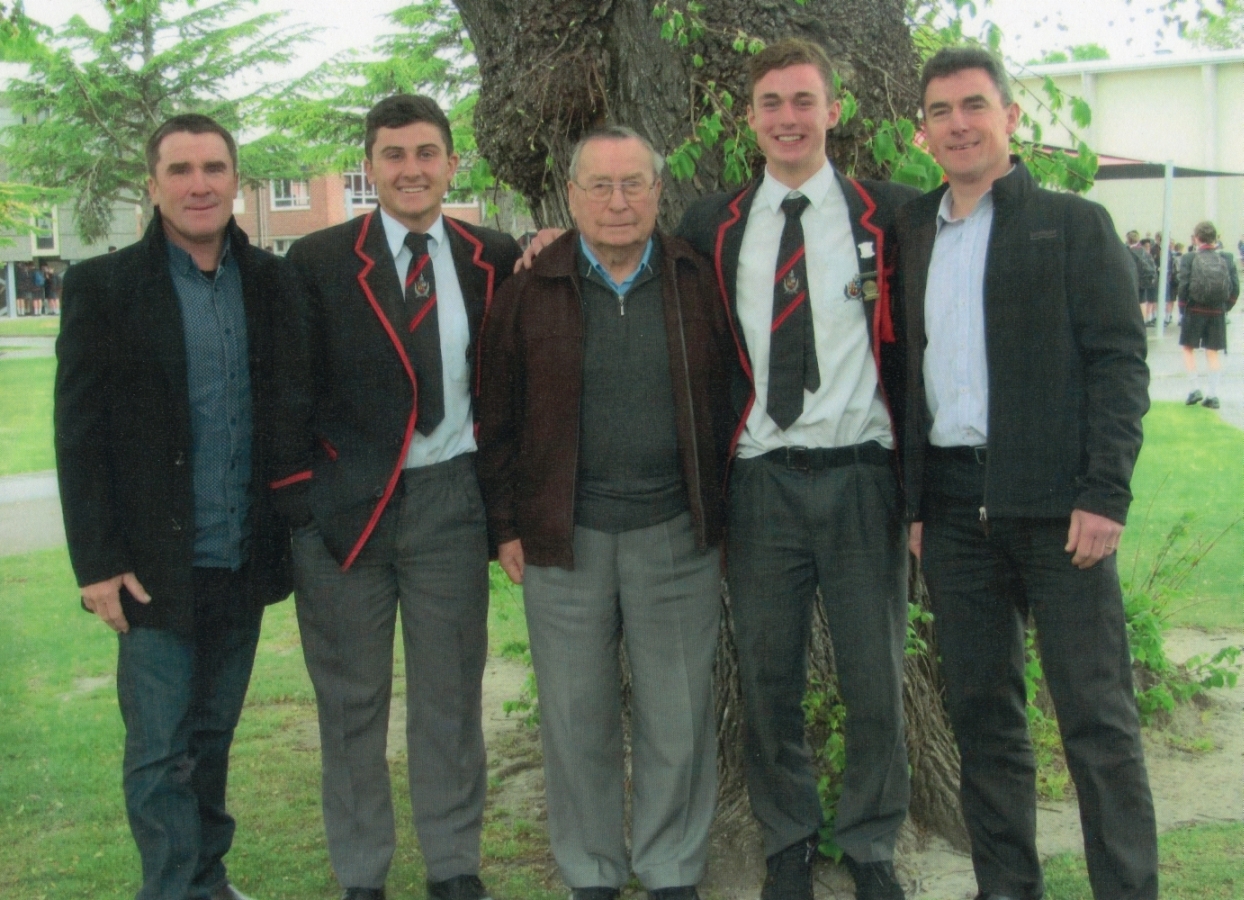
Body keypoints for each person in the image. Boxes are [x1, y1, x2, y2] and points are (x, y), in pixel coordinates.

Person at [895, 46, 1157, 900]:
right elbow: (909, 378)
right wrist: (919, 505)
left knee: (1097, 723)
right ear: (924, 130)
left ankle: (1127, 887)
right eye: (941, 112)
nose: (959, 124)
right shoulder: (910, 233)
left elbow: (1120, 364)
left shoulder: (1072, 226)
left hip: (1061, 515)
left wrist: (1104, 493)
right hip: (953, 510)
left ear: (1010, 118)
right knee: (985, 721)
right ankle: (1007, 888)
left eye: (975, 106)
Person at [677, 37, 916, 900]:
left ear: (833, 110)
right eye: (771, 102)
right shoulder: (713, 225)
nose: (788, 117)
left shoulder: (891, 215)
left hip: (862, 477)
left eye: (803, 100)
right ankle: (788, 839)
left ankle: (870, 840)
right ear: (750, 118)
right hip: (762, 481)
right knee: (767, 675)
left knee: (873, 678)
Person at [269, 94, 520, 900]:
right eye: (392, 155)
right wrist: (304, 505)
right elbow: (283, 395)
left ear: (452, 163)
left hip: (451, 501)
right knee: (352, 706)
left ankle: (453, 867)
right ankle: (363, 876)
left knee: (450, 698)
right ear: (369, 166)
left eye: (425, 153)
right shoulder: (316, 261)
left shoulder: (494, 254)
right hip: (346, 511)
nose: (410, 169)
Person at [477, 125, 734, 900]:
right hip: (565, 539)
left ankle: (670, 868)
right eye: (600, 186)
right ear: (571, 196)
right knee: (576, 718)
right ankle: (590, 870)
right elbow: (496, 415)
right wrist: (506, 525)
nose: (618, 202)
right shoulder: (530, 285)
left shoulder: (698, 278)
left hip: (676, 535)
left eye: (634, 185)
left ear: (660, 192)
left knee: (679, 718)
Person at [54, 113, 293, 900]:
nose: (200, 185)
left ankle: (208, 880)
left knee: (212, 740)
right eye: (182, 170)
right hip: (153, 569)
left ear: (237, 182)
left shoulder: (272, 283)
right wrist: (97, 564)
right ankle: (171, 889)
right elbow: (79, 436)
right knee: (159, 749)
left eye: (214, 169)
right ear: (153, 184)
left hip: (241, 558)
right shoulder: (105, 288)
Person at [1178, 220, 1239, 410]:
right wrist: (1225, 308)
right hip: (1217, 311)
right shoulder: (1227, 258)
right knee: (1212, 352)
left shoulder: (1189, 258)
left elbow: (1183, 286)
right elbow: (1235, 289)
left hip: (1194, 310)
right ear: (1216, 238)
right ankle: (1213, 394)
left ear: (1196, 238)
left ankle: (1194, 387)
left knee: (1188, 348)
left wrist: (1183, 309)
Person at [1125, 230, 1158, 326]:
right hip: (1143, 281)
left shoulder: (1128, 252)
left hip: (1132, 280)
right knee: (1142, 301)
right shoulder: (1144, 251)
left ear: (1128, 240)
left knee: (1131, 302)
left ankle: (1132, 322)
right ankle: (1142, 322)